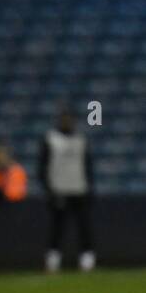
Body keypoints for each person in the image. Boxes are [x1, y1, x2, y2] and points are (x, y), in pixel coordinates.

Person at [40, 109, 95, 272]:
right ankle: (53, 259)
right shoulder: (51, 139)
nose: (67, 122)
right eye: (64, 119)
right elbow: (43, 166)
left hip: (79, 188)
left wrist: (89, 187)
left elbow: (87, 165)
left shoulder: (81, 139)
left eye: (69, 119)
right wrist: (49, 189)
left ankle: (87, 258)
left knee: (84, 226)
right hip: (59, 189)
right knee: (57, 227)